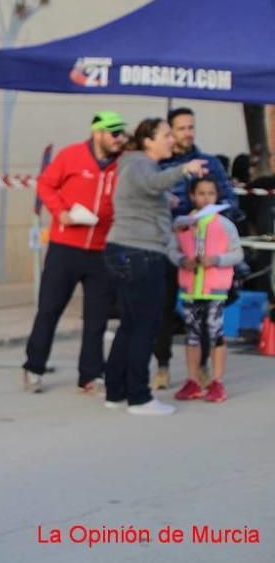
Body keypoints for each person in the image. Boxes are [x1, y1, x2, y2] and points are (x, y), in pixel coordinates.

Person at [103, 118, 208, 416]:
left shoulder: (137, 166)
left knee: (131, 325)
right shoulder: (140, 166)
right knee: (144, 327)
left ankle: (116, 391)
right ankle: (139, 398)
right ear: (148, 141)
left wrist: (179, 221)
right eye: (165, 135)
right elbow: (151, 185)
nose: (172, 139)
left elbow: (150, 210)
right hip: (139, 255)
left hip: (129, 251)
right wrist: (184, 170)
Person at [22, 111, 127, 393]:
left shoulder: (123, 164)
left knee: (97, 317)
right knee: (49, 309)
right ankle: (34, 367)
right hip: (65, 247)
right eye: (114, 133)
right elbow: (45, 184)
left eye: (122, 133)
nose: (120, 139)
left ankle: (91, 374)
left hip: (101, 250)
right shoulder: (72, 155)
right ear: (98, 133)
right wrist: (62, 213)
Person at [152, 107, 240, 389]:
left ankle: (202, 368)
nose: (187, 133)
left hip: (205, 253)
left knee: (203, 313)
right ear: (170, 132)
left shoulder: (209, 163)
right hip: (170, 247)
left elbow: (231, 202)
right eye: (181, 128)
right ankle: (163, 366)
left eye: (191, 127)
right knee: (164, 309)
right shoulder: (160, 165)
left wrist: (209, 216)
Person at [169, 177, 243, 404]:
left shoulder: (225, 225)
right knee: (192, 336)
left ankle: (217, 382)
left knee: (215, 334)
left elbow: (237, 254)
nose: (206, 197)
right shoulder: (183, 224)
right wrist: (183, 261)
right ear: (192, 196)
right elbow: (172, 249)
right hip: (191, 288)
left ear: (217, 196)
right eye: (201, 193)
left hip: (215, 289)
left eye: (210, 193)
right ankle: (192, 380)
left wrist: (216, 260)